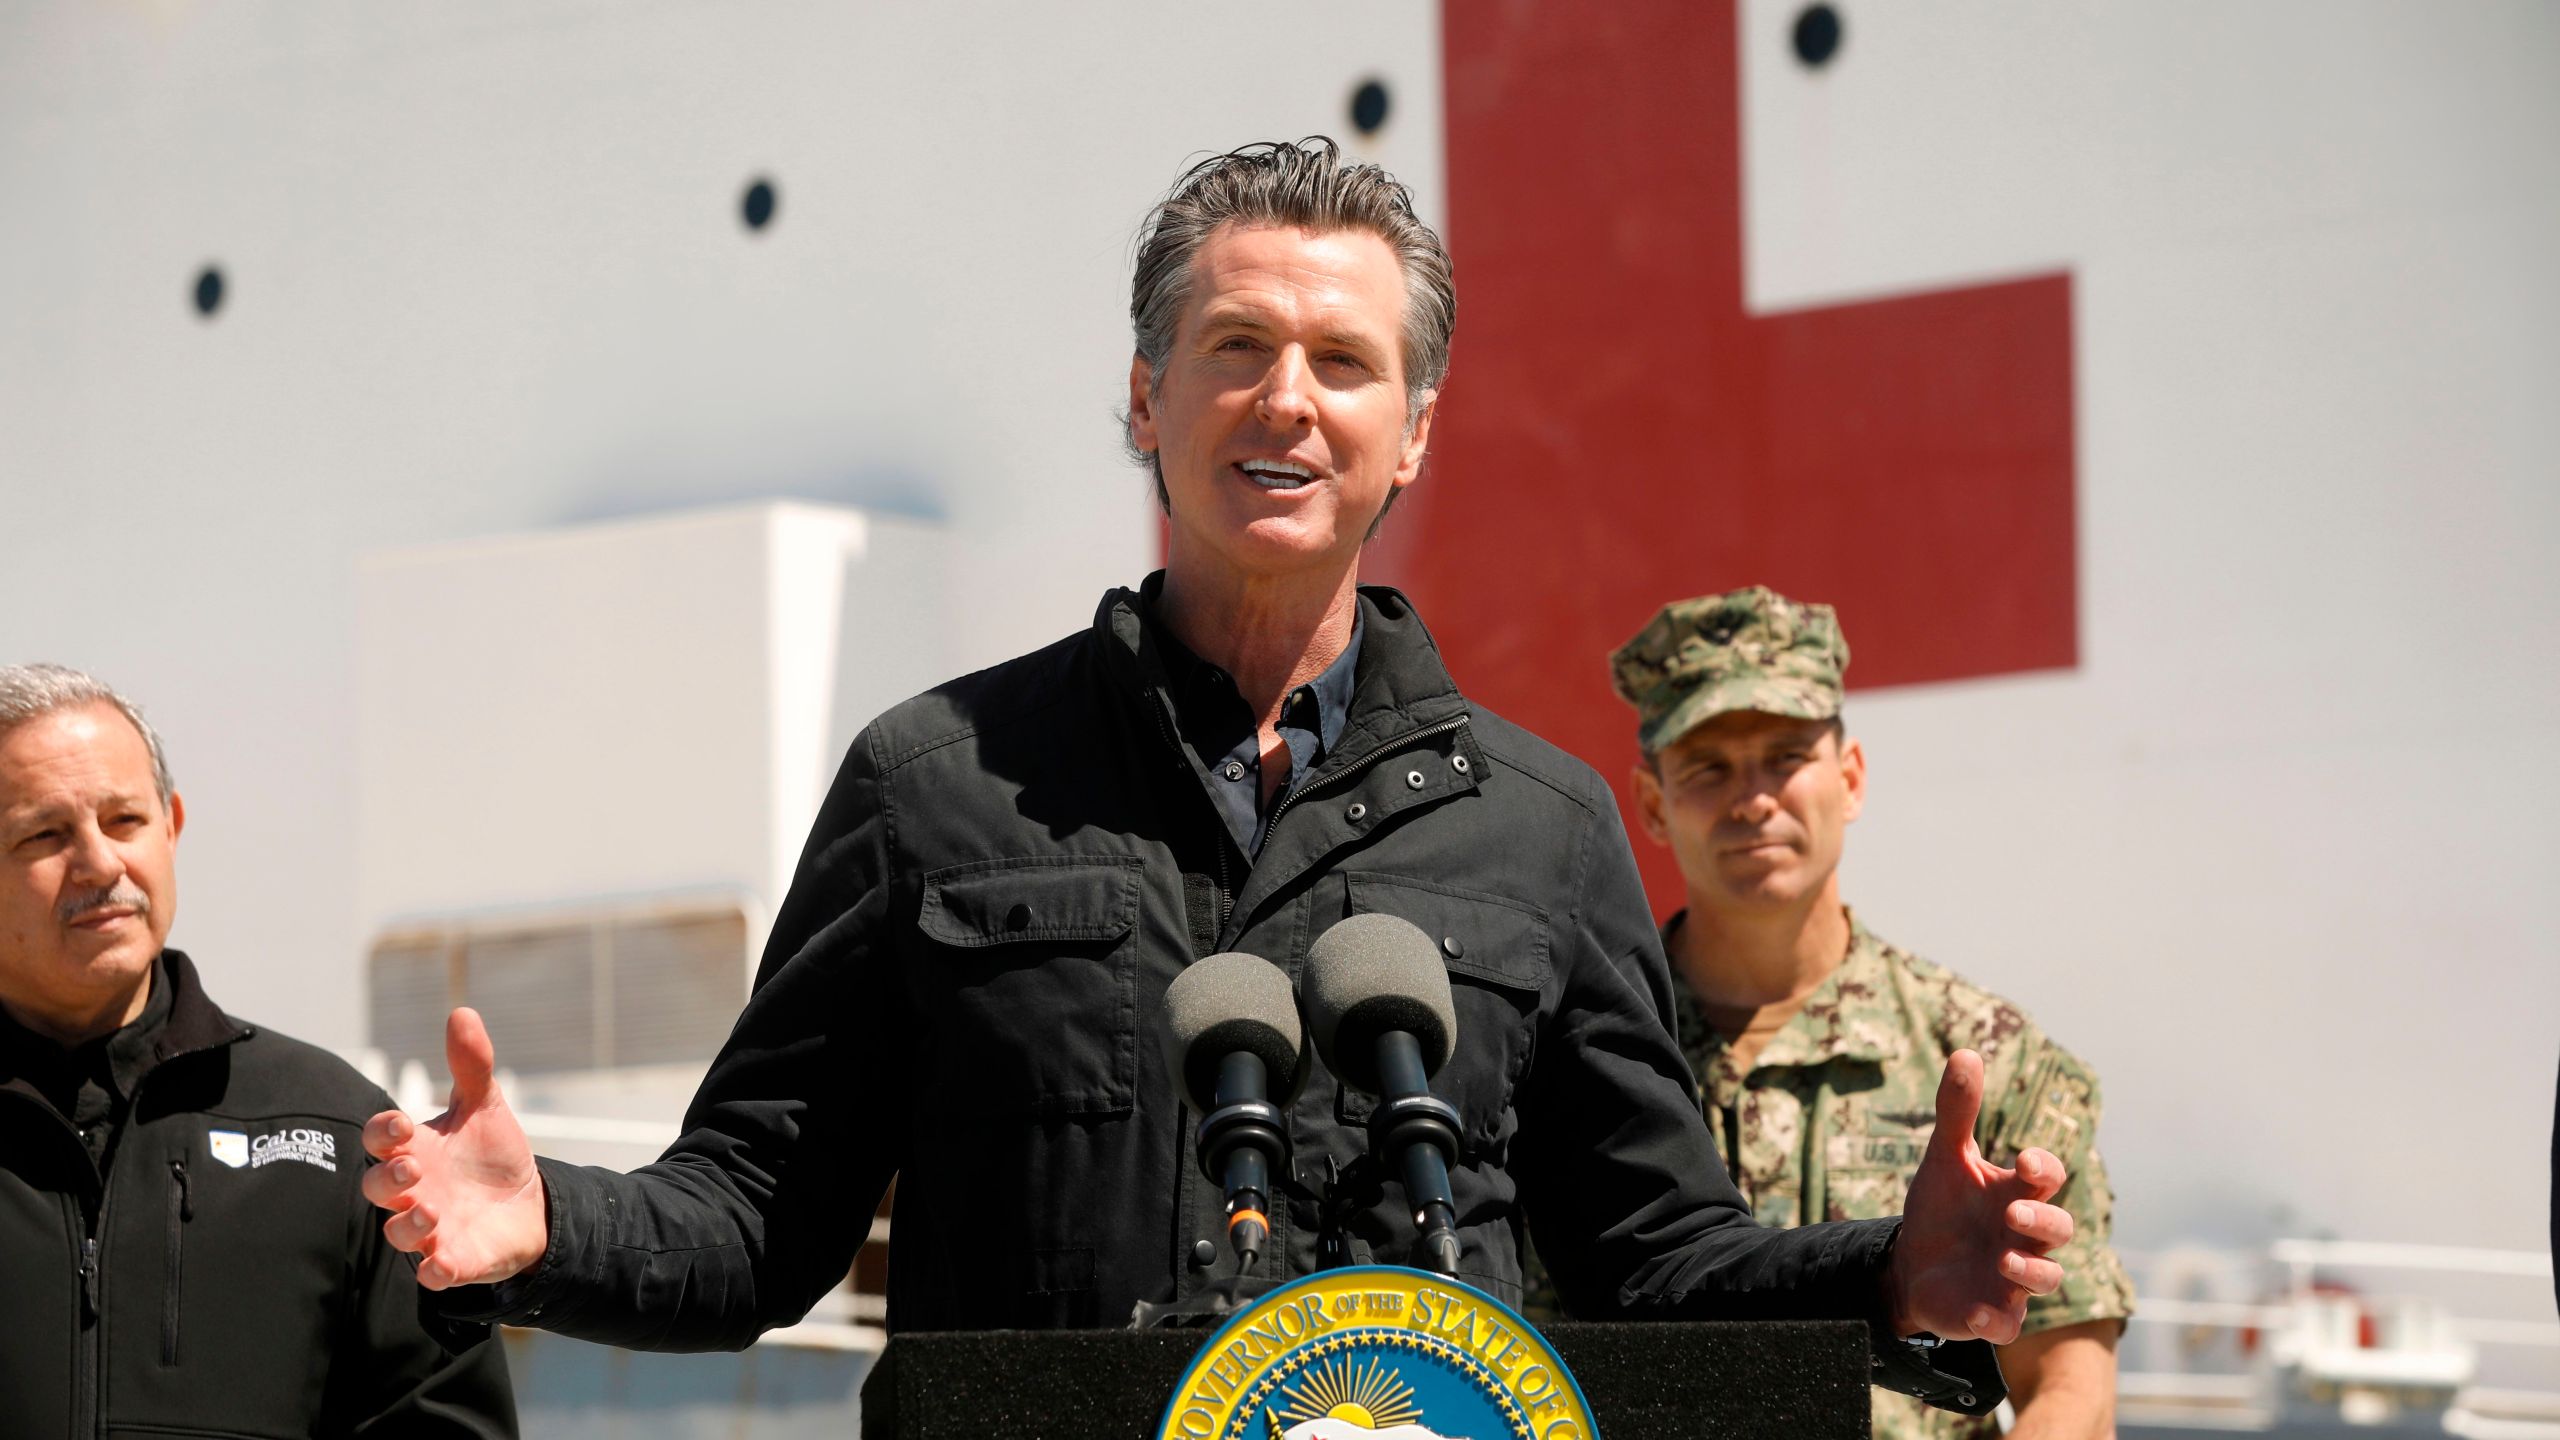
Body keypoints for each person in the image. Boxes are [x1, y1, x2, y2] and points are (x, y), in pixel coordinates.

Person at [362, 139, 2071, 1413]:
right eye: (1237, 347)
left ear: (1414, 433)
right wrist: (544, 1224)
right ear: (1143, 395)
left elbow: (1650, 1259)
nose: (1288, 398)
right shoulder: (933, 781)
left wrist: (1894, 1280)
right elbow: (751, 1219)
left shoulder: (1543, 830)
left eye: (1346, 363)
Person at [1600, 587, 2137, 1438]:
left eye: (1785, 757)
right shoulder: (1585, 1048)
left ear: (1849, 779)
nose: (1752, 800)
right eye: (1709, 768)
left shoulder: (1992, 1060)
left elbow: (2071, 1385)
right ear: (1656, 805)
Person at [0, 664, 516, 1437]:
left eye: (125, 821)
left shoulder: (344, 1134)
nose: (101, 863)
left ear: (172, 826)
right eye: (46, 834)